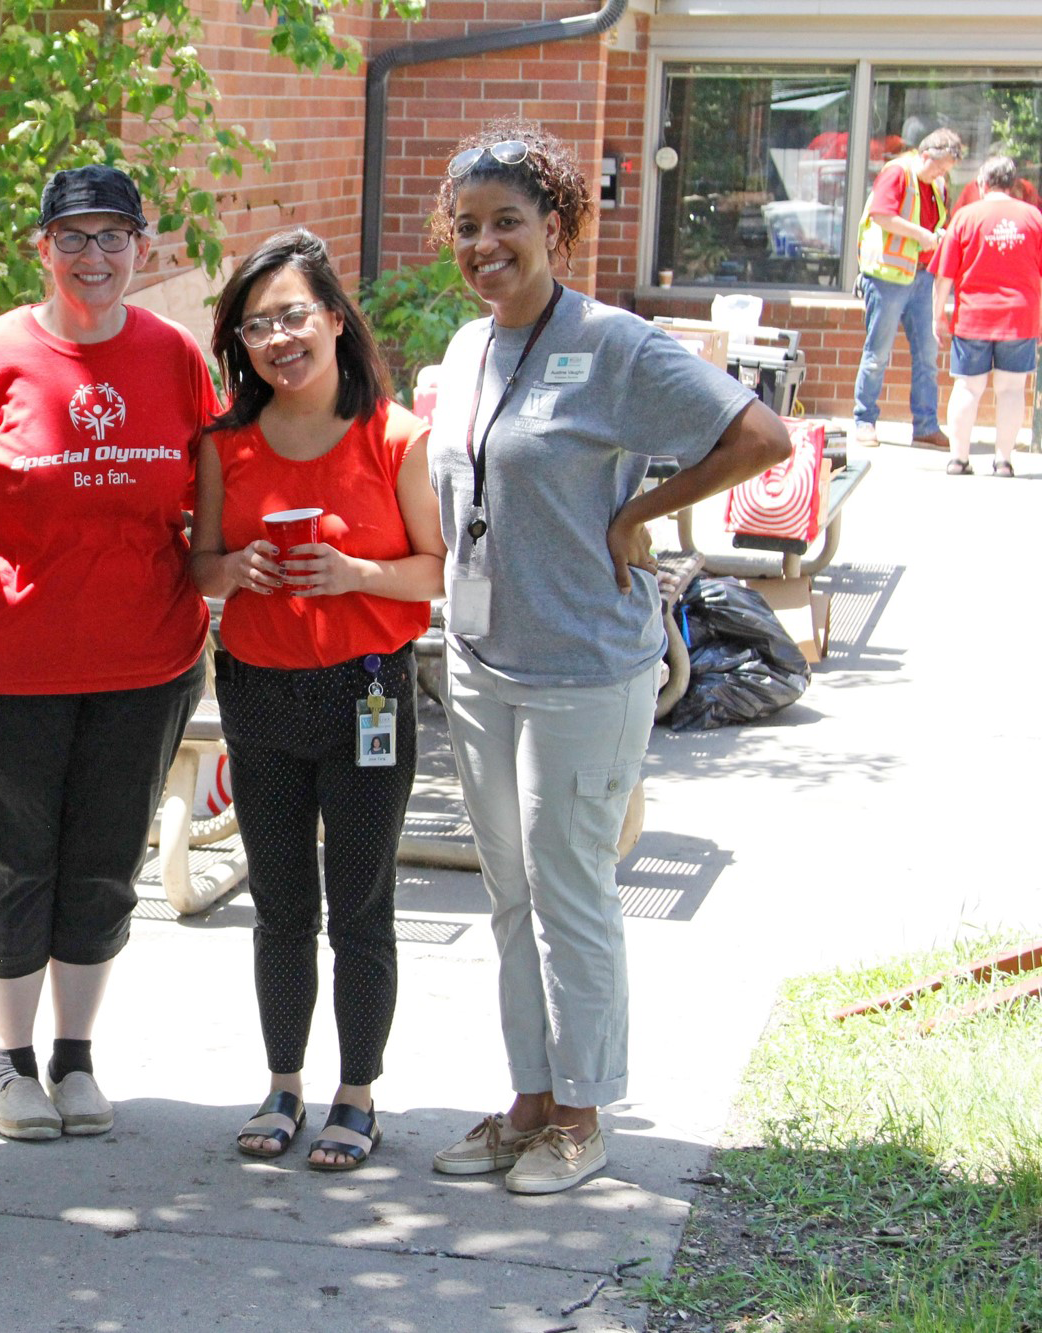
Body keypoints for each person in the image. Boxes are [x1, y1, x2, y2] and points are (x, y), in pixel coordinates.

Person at [424, 122, 790, 1194]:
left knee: (571, 888)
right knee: (506, 895)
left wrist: (639, 511)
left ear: (557, 230)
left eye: (505, 223)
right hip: (482, 660)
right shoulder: (464, 348)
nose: (484, 244)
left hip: (585, 667)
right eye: (467, 227)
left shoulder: (615, 344)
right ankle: (528, 1101)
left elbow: (759, 436)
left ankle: (581, 1114)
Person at [0, 164, 214, 1142]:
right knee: (19, 862)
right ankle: (9, 1064)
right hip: (9, 668)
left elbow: (207, 498)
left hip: (148, 662)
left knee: (101, 864)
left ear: (141, 247)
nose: (93, 257)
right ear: (39, 249)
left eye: (112, 236)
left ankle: (74, 1055)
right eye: (74, 237)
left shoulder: (174, 356)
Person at [189, 229, 444, 1171]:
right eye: (258, 326)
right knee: (282, 902)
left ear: (335, 318)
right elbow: (200, 566)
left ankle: (358, 1092)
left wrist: (356, 572)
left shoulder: (396, 437)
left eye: (294, 315)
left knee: (362, 902)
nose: (279, 338)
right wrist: (236, 568)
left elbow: (435, 574)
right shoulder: (228, 442)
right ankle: (284, 1082)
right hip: (260, 687)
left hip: (366, 693)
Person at [853, 127, 965, 447]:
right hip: (888, 275)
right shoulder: (897, 173)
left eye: (946, 171)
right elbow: (882, 215)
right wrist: (922, 236)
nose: (941, 174)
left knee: (928, 355)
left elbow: (936, 224)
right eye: (939, 167)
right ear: (925, 155)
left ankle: (926, 425)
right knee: (877, 353)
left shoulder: (937, 183)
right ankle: (864, 420)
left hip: (923, 276)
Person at [933, 154, 1042, 478]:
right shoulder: (1033, 218)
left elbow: (944, 275)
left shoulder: (966, 217)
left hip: (973, 316)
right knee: (1011, 390)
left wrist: (936, 316)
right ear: (1012, 185)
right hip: (1020, 318)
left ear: (982, 182)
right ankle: (1003, 461)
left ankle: (959, 458)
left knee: (967, 388)